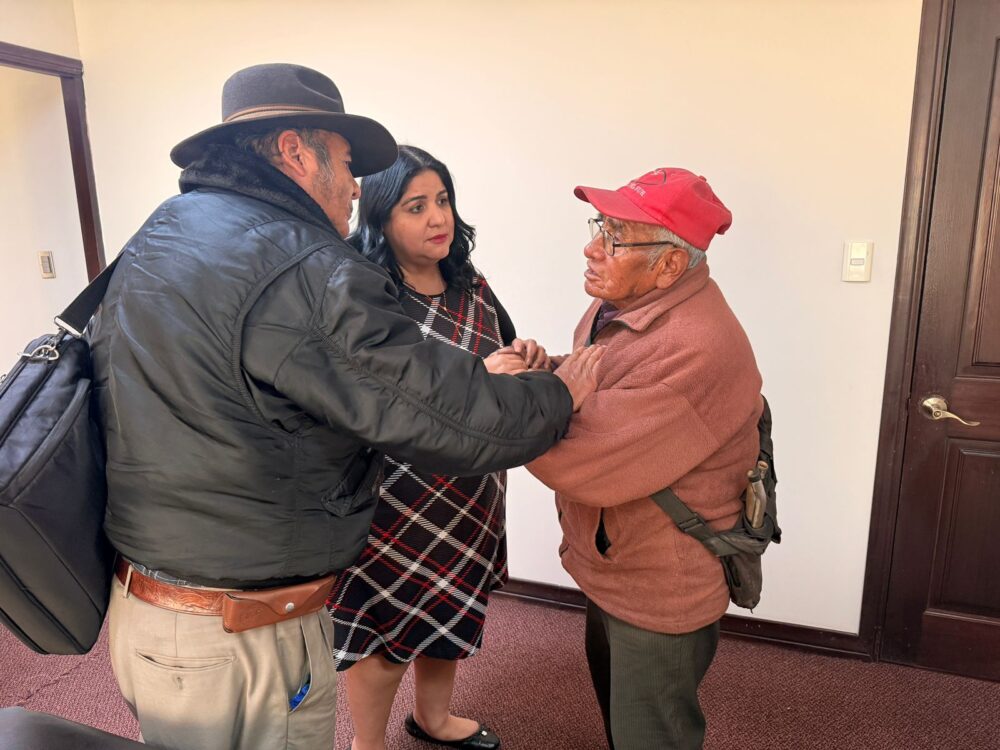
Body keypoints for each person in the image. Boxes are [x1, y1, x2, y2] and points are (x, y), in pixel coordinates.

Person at [88, 63, 603, 750]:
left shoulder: (165, 230)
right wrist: (563, 391)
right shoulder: (306, 267)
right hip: (240, 627)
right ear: (296, 151)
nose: (356, 186)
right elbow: (448, 416)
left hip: (149, 607)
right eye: (346, 161)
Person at [527, 168, 762, 750]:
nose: (591, 247)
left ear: (669, 264)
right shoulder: (623, 305)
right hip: (617, 561)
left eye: (615, 237)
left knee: (650, 736)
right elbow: (601, 385)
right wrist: (546, 371)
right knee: (623, 723)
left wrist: (515, 397)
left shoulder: (694, 346)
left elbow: (580, 460)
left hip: (659, 585)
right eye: (599, 226)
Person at [328, 146, 546, 750]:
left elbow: (498, 354)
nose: (437, 218)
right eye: (416, 206)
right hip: (395, 498)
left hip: (470, 491)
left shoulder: (471, 282)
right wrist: (481, 376)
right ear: (380, 218)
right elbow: (362, 396)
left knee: (449, 608)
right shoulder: (366, 292)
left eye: (443, 200)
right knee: (385, 630)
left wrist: (523, 357)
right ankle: (367, 744)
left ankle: (433, 717)